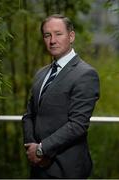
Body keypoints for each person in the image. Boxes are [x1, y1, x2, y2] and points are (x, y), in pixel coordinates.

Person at [22, 14, 100, 179]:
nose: (52, 40)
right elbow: (29, 115)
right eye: (47, 35)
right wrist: (33, 149)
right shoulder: (41, 73)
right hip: (38, 169)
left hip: (66, 169)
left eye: (58, 34)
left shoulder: (86, 74)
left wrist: (43, 149)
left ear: (71, 36)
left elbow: (78, 125)